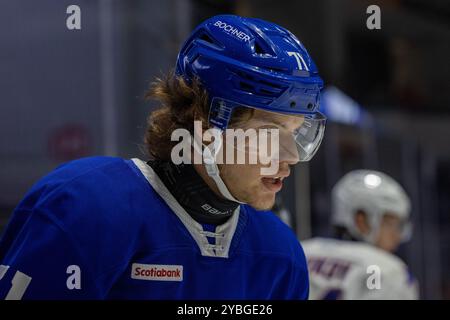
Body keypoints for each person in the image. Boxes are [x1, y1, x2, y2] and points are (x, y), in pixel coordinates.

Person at [0, 15, 326, 299]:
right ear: (205, 124)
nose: (290, 156)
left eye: (297, 134)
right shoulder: (85, 208)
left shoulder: (281, 255)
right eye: (269, 134)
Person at [302, 170, 419, 299]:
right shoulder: (388, 271)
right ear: (362, 221)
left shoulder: (300, 252)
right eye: (393, 224)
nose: (398, 236)